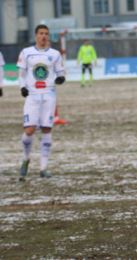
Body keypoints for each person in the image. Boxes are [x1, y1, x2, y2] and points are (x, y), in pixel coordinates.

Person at [18, 24, 66, 181]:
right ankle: (26, 158)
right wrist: (22, 87)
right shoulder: (26, 53)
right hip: (32, 96)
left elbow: (60, 73)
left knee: (46, 129)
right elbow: (22, 74)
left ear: (48, 36)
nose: (44, 36)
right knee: (29, 130)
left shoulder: (55, 54)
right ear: (36, 35)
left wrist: (61, 78)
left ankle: (43, 168)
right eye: (41, 33)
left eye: (46, 33)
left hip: (48, 95)